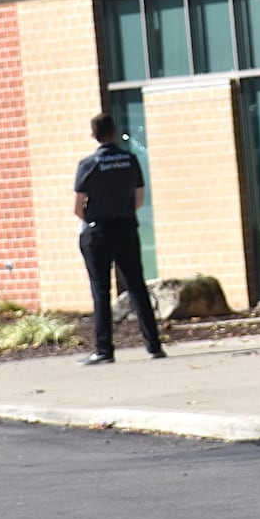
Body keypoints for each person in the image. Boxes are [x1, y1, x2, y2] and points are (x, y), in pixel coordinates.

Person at [74, 113, 165, 365]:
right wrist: (122, 214)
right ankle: (154, 345)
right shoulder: (130, 159)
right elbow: (139, 198)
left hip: (98, 231)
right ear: (114, 132)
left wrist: (94, 219)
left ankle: (104, 350)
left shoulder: (88, 164)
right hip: (126, 228)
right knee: (136, 286)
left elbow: (77, 206)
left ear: (94, 135)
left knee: (101, 291)